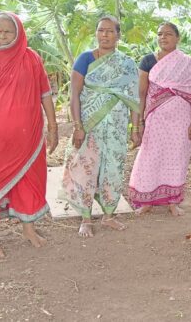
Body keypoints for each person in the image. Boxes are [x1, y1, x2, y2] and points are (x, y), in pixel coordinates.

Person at [0, 12, 58, 259]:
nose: (2, 36)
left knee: (28, 180)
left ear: (19, 33)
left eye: (8, 31)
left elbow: (45, 93)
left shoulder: (32, 58)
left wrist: (53, 126)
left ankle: (28, 229)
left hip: (29, 137)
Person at [62, 16, 140, 238]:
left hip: (115, 127)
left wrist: (135, 129)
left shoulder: (126, 64)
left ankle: (108, 215)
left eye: (109, 31)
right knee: (85, 168)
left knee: (113, 168)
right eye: (100, 31)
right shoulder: (85, 59)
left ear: (118, 35)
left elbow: (133, 98)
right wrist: (78, 126)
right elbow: (74, 95)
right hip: (89, 125)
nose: (104, 35)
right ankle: (86, 218)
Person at [128, 22, 191, 215]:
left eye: (168, 34)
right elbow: (141, 93)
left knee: (176, 157)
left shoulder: (187, 63)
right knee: (150, 156)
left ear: (178, 38)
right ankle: (147, 201)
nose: (163, 38)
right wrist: (138, 124)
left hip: (180, 120)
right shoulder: (148, 61)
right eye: (160, 34)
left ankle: (172, 202)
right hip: (155, 119)